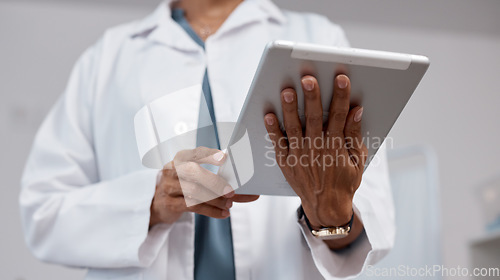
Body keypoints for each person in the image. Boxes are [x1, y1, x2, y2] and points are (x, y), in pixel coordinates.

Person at [19, 0, 395, 279]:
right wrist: (150, 203)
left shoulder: (319, 38)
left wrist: (329, 216)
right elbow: (42, 211)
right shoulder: (108, 57)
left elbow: (368, 229)